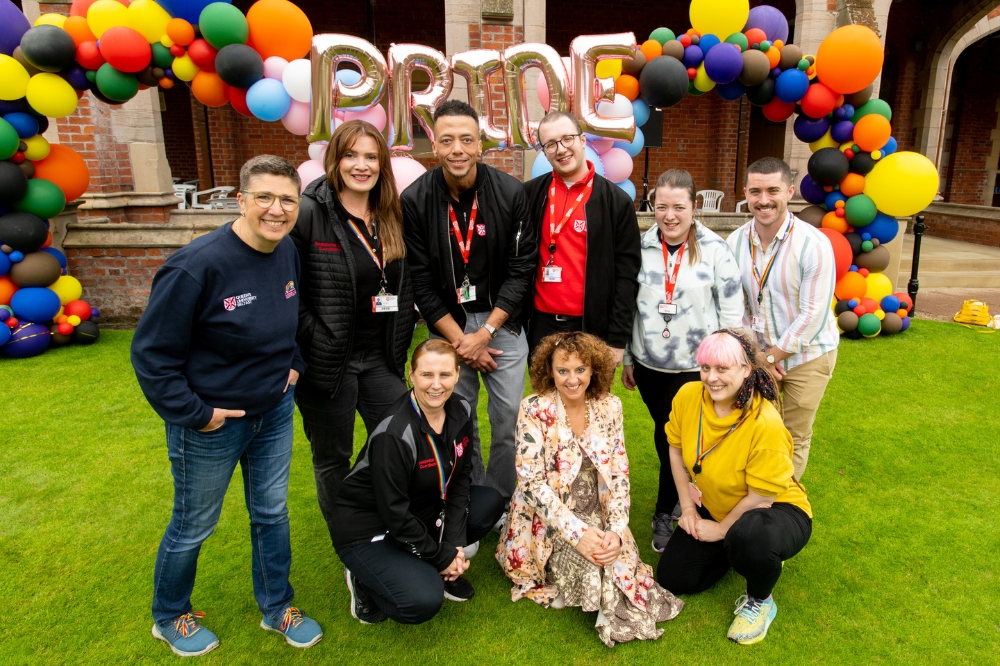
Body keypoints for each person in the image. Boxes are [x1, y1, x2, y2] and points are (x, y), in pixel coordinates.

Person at [131, 155, 322, 657]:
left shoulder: (285, 252)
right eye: (264, 196)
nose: (276, 210)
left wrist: (295, 364)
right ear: (240, 199)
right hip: (212, 424)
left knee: (271, 512)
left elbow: (290, 315)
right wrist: (198, 414)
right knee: (194, 523)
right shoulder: (196, 265)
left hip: (275, 411)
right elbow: (152, 355)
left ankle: (277, 606)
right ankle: (170, 615)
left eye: (286, 199)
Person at [497, 332, 684, 647]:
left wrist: (615, 528)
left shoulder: (610, 406)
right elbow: (531, 484)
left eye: (580, 370)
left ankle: (609, 573)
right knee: (593, 565)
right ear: (549, 371)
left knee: (613, 554)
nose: (572, 379)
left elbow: (619, 473)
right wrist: (577, 533)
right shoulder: (533, 408)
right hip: (550, 514)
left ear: (594, 370)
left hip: (597, 504)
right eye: (563, 371)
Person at [402, 99, 537, 501]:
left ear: (480, 145)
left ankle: (500, 498)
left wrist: (486, 332)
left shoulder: (510, 192)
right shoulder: (415, 200)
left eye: (466, 139)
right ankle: (469, 495)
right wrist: (462, 340)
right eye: (447, 140)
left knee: (509, 420)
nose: (457, 149)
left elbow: (522, 270)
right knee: (458, 421)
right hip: (449, 328)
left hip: (503, 325)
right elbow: (420, 282)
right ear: (435, 146)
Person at [291, 119, 417, 542]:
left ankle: (384, 521)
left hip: (381, 359)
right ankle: (349, 541)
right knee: (333, 458)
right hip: (329, 362)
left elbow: (405, 282)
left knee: (399, 441)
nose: (360, 166)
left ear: (382, 164)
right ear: (335, 160)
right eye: (351, 155)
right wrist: (317, 336)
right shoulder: (310, 213)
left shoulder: (390, 214)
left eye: (370, 156)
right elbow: (288, 288)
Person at [333, 339, 506, 625]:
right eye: (427, 375)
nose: (436, 385)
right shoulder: (395, 433)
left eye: (445, 374)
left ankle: (429, 561)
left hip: (420, 508)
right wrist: (441, 557)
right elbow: (393, 512)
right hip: (371, 527)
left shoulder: (461, 408)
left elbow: (460, 478)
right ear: (411, 375)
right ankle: (364, 579)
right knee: (422, 600)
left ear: (457, 375)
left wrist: (453, 544)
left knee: (489, 502)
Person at [656, 329, 812, 645]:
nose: (711, 378)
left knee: (749, 536)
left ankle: (760, 599)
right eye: (706, 368)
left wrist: (723, 529)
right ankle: (739, 551)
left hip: (775, 509)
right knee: (674, 577)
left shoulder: (764, 423)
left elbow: (763, 495)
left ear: (745, 370)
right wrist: (687, 508)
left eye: (722, 368)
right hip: (717, 504)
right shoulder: (688, 395)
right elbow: (674, 447)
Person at [620, 169, 744, 553]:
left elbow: (732, 314)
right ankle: (681, 496)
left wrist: (728, 365)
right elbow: (627, 306)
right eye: (661, 206)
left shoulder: (716, 250)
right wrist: (626, 356)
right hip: (649, 366)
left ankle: (665, 509)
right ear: (652, 207)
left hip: (697, 369)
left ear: (694, 208)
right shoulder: (639, 247)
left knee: (673, 438)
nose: (669, 215)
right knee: (668, 434)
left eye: (678, 207)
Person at [727, 157, 839, 479]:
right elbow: (738, 308)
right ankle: (748, 493)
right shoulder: (734, 243)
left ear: (790, 191)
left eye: (773, 190)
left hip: (808, 356)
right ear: (745, 193)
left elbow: (813, 315)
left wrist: (770, 357)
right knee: (754, 428)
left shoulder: (814, 244)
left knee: (793, 435)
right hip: (758, 353)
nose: (764, 200)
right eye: (756, 191)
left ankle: (780, 509)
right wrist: (755, 354)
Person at [523, 111, 641, 364]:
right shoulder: (529, 195)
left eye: (567, 139)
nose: (561, 149)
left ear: (583, 140)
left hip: (592, 328)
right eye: (551, 144)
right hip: (541, 326)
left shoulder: (616, 202)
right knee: (546, 402)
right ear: (544, 151)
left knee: (591, 403)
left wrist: (618, 339)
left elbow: (626, 275)